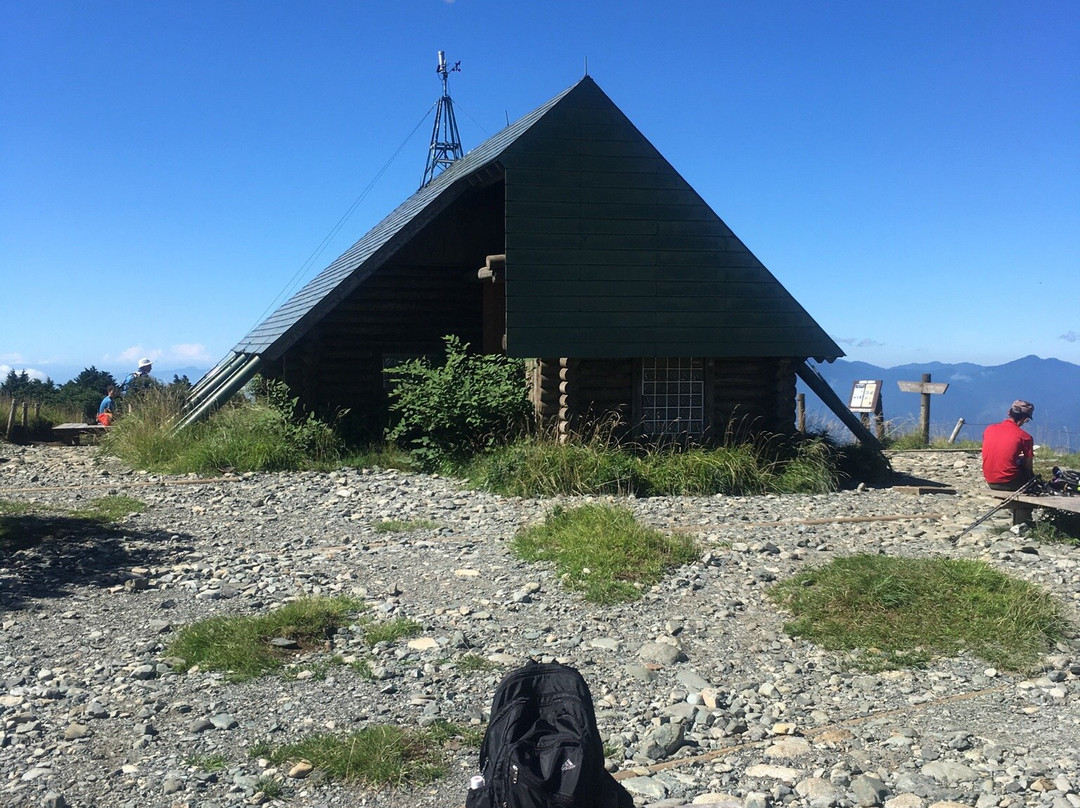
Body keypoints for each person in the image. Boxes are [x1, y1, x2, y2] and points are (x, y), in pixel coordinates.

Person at [982, 399, 1036, 525]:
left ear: (1008, 412)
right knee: (1032, 483)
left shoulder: (989, 429)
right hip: (1009, 482)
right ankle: (1024, 523)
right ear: (1026, 419)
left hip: (991, 480)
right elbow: (1028, 467)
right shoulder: (1025, 437)